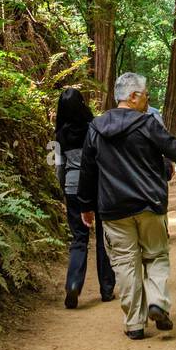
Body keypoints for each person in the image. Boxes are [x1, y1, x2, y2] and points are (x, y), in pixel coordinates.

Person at [78, 71, 176, 339]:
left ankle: (134, 323)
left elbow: (87, 171)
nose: (147, 99)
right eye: (145, 95)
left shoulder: (95, 128)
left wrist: (85, 206)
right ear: (133, 97)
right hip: (150, 205)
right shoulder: (147, 125)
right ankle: (157, 302)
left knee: (125, 263)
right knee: (155, 256)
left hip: (113, 210)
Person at [55, 87, 115, 309]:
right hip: (97, 186)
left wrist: (65, 189)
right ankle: (107, 289)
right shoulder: (94, 129)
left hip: (73, 188)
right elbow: (105, 158)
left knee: (79, 238)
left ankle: (73, 283)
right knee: (103, 236)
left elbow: (59, 168)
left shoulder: (60, 135)